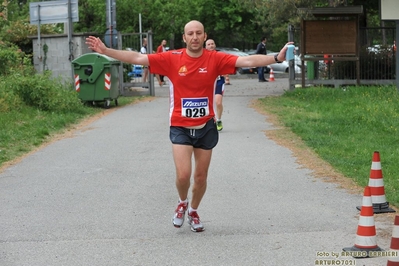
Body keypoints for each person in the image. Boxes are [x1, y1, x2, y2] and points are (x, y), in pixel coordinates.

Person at [86, 20, 291, 233]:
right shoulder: (171, 59)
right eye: (190, 34)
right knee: (184, 175)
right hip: (180, 126)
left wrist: (276, 58)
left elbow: (247, 61)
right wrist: (106, 50)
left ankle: (193, 210)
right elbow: (138, 58)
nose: (194, 37)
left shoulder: (215, 58)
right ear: (184, 38)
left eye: (198, 33)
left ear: (204, 36)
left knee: (200, 177)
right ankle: (182, 202)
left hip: (206, 126)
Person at [205, 38, 225, 131]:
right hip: (207, 81)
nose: (211, 46)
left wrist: (227, 76)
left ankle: (219, 119)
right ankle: (207, 121)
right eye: (208, 44)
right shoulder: (203, 56)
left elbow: (227, 66)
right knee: (206, 103)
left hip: (219, 81)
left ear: (215, 45)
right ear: (205, 47)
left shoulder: (220, 55)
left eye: (212, 44)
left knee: (218, 102)